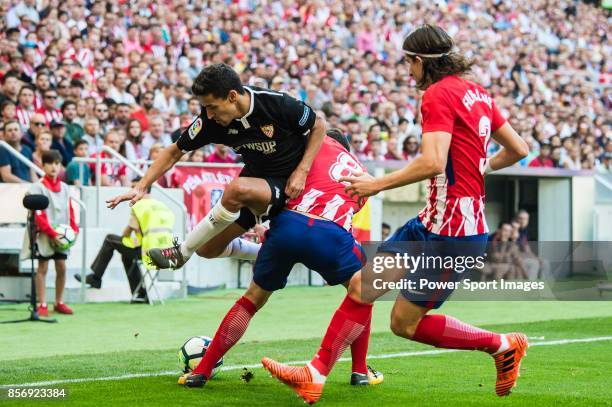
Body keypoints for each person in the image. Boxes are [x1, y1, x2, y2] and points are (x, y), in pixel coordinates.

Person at [262, 24, 530, 403]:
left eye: (408, 64)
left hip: (454, 234)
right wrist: (476, 168)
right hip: (432, 220)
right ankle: (315, 374)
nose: (408, 73)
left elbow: (433, 161)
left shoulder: (437, 95)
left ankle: (502, 345)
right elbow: (518, 148)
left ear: (420, 61)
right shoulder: (479, 94)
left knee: (405, 324)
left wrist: (376, 185)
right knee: (361, 286)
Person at [179, 130, 383, 389]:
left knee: (251, 300)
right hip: (330, 234)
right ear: (347, 150)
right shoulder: (362, 173)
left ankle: (202, 371)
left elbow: (282, 190)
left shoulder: (306, 148)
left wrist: (269, 226)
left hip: (289, 226)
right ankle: (360, 371)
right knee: (363, 292)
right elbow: (342, 209)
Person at [107, 63, 326, 272]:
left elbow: (318, 126)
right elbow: (174, 151)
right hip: (258, 180)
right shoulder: (210, 122)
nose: (209, 114)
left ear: (232, 96)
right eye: (205, 108)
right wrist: (142, 186)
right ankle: (271, 254)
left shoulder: (276, 103)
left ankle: (181, 253)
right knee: (207, 248)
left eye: (212, 107)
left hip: (289, 181)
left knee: (237, 189)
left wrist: (302, 171)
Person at [75, 178, 175, 302]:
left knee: (110, 239)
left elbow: (127, 233)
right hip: (165, 253)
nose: (131, 192)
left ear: (142, 190)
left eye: (134, 188)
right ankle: (139, 293)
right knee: (126, 255)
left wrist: (131, 238)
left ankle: (95, 277)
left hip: (147, 251)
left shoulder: (140, 205)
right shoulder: (162, 206)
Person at [27, 150, 79, 316]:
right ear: (43, 165)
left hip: (62, 235)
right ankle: (42, 304)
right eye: (50, 163)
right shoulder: (37, 187)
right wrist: (52, 234)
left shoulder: (65, 187)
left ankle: (59, 302)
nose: (53, 167)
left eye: (57, 163)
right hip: (44, 235)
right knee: (42, 267)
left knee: (62, 268)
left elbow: (70, 210)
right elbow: (39, 215)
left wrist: (73, 230)